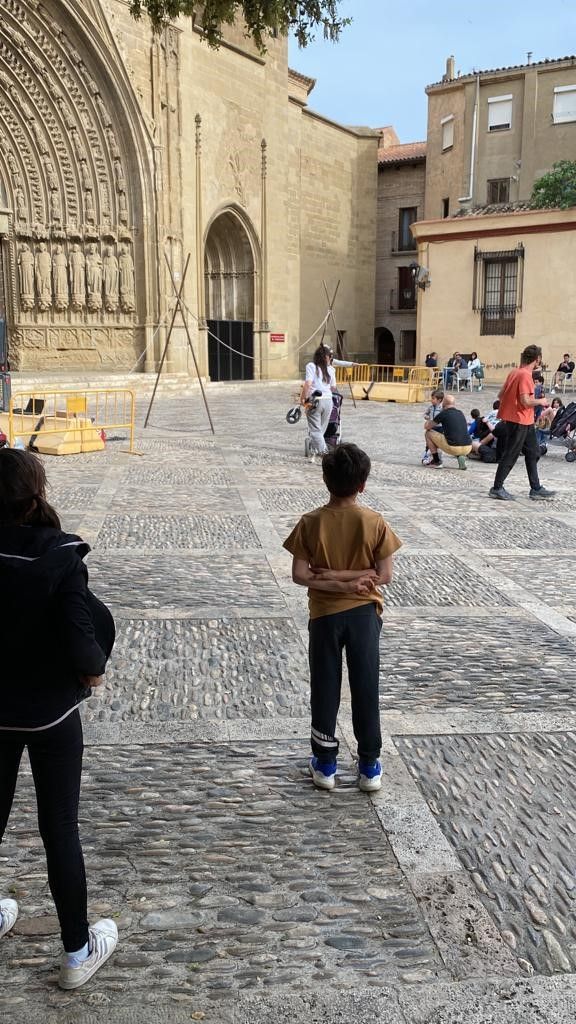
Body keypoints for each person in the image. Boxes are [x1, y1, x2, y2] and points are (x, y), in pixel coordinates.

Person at [0, 449, 118, 989]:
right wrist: (92, 673)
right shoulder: (60, 555)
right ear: (37, 493)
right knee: (59, 828)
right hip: (51, 713)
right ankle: (75, 949)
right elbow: (82, 641)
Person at [283, 443, 402, 793]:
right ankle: (369, 764)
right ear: (363, 484)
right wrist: (352, 579)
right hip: (364, 614)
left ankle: (325, 763)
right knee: (366, 685)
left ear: (325, 479)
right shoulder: (374, 522)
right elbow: (383, 574)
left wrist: (329, 579)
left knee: (325, 687)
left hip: (323, 616)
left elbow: (300, 575)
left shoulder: (310, 523)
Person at [490, 344, 555, 501]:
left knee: (533, 452)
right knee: (511, 454)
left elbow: (501, 394)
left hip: (522, 420)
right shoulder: (525, 375)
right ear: (537, 359)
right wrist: (541, 401)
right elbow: (525, 401)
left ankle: (536, 488)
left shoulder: (514, 372)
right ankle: (497, 487)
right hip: (519, 420)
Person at [302, 344, 336, 460]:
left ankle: (325, 455)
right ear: (327, 357)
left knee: (315, 430)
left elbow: (308, 384)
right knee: (321, 428)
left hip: (315, 400)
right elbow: (333, 387)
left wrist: (303, 398)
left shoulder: (311, 366)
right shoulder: (331, 369)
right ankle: (314, 450)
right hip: (328, 401)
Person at [424, 393, 472, 470]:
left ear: (444, 403)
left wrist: (428, 421)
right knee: (454, 435)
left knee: (428, 433)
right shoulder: (460, 413)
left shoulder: (443, 413)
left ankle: (437, 461)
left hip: (453, 448)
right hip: (468, 447)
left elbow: (428, 427)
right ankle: (460, 456)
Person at [422, 388, 444, 464]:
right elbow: (425, 414)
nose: (431, 400)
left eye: (433, 398)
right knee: (428, 442)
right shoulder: (430, 408)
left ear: (439, 400)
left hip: (439, 428)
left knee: (437, 443)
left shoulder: (442, 409)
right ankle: (426, 456)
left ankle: (438, 457)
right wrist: (426, 417)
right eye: (432, 398)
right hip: (431, 427)